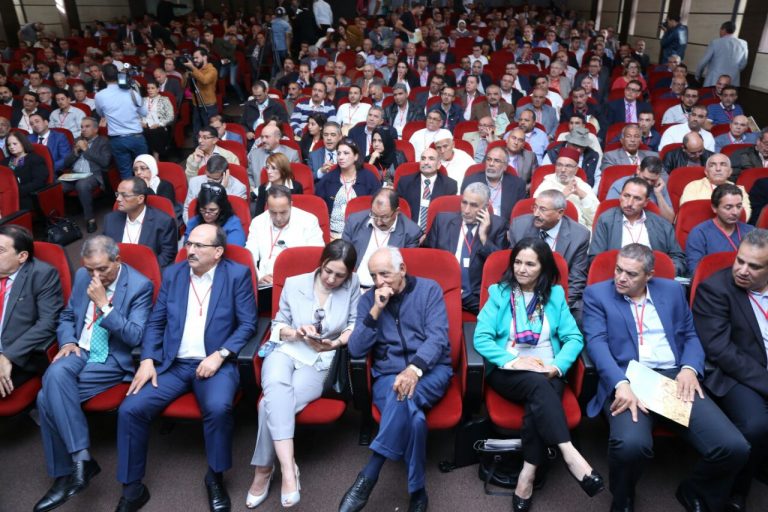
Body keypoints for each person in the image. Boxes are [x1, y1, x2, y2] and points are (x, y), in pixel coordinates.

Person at [582, 243, 750, 512]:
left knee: (733, 447)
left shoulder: (671, 290)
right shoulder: (597, 294)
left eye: (631, 274)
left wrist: (689, 368)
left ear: (649, 275)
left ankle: (693, 490)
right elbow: (596, 344)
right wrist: (620, 383)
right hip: (629, 378)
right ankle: (623, 498)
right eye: (618, 270)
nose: (621, 278)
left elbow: (691, 335)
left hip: (674, 378)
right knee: (631, 445)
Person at [115, 223, 257, 512]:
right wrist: (147, 359)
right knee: (130, 409)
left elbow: (247, 324)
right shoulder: (174, 274)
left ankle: (215, 477)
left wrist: (220, 354)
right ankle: (133, 488)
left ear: (218, 252)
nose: (190, 250)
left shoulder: (237, 275)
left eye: (199, 246)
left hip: (214, 364)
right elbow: (156, 322)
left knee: (218, 408)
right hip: (174, 364)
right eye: (189, 244)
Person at [474, 238, 604, 510]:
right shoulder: (499, 293)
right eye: (518, 262)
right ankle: (569, 453)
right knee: (538, 387)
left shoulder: (555, 296)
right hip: (508, 370)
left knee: (539, 398)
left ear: (543, 268)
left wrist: (556, 366)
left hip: (548, 370)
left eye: (530, 264)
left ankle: (527, 473)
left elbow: (573, 338)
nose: (521, 269)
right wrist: (514, 361)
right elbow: (481, 338)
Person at [33, 236, 153, 512]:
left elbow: (135, 336)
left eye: (102, 269)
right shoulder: (81, 276)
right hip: (80, 349)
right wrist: (67, 341)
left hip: (111, 358)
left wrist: (105, 305)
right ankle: (81, 458)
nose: (96, 276)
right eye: (90, 270)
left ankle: (67, 473)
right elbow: (67, 316)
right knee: (55, 374)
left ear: (117, 261)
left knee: (44, 398)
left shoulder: (140, 286)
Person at [247, 239, 359, 508]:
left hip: (320, 358)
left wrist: (336, 342)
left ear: (349, 274)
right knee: (276, 386)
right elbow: (278, 325)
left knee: (267, 405)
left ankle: (264, 469)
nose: (331, 279)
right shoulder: (295, 283)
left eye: (340, 275)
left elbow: (354, 324)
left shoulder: (353, 285)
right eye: (328, 271)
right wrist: (295, 332)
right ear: (321, 263)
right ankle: (288, 470)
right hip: (288, 349)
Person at [339, 247, 452, 512]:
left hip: (430, 371)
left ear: (402, 269)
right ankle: (417, 491)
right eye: (373, 276)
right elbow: (356, 349)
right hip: (387, 377)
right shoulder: (369, 300)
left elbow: (438, 338)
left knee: (403, 398)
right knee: (415, 419)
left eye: (385, 274)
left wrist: (414, 369)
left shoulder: (429, 290)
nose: (379, 282)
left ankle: (369, 474)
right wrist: (376, 310)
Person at [692, 229, 768, 511]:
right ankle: (737, 491)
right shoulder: (716, 288)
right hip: (734, 373)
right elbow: (721, 350)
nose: (743, 270)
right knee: (756, 425)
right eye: (740, 261)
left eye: (754, 266)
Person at [424, 183, 508, 313]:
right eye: (464, 203)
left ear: (486, 207)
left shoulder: (498, 226)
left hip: (476, 296)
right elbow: (427, 260)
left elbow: (500, 268)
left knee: (498, 314)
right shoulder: (442, 221)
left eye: (474, 205)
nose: (466, 210)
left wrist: (484, 238)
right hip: (444, 290)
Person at [0, 225, 62, 396]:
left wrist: (8, 355)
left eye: (0, 250)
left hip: (18, 355)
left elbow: (48, 323)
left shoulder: (42, 274)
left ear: (22, 256)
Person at [509, 190, 591, 316]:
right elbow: (512, 269)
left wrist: (553, 309)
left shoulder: (579, 235)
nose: (536, 213)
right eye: (535, 207)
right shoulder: (519, 226)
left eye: (543, 209)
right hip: (523, 292)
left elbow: (576, 281)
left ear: (560, 213)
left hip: (557, 296)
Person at [590, 176, 687, 274]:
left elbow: (678, 258)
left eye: (637, 198)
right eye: (626, 196)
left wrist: (663, 273)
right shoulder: (606, 220)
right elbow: (595, 259)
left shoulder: (661, 224)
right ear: (620, 196)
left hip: (653, 278)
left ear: (646, 202)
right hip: (617, 278)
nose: (629, 203)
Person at [246, 185, 324, 304]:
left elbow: (316, 257)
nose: (278, 218)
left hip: (299, 284)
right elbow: (249, 255)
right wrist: (259, 276)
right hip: (266, 285)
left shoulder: (309, 221)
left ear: (291, 205)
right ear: (267, 206)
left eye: (283, 212)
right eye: (273, 212)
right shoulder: (258, 222)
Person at [342, 189, 421, 289]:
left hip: (386, 289)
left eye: (384, 217)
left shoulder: (411, 233)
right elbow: (343, 256)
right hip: (351, 286)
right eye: (374, 215)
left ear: (397, 212)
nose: (378, 222)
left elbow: (403, 272)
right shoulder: (354, 221)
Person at [104, 177, 178, 269]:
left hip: (148, 272)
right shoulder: (110, 220)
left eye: (124, 195)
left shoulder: (163, 221)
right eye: (118, 194)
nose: (118, 199)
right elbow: (104, 249)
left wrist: (146, 270)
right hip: (117, 271)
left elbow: (167, 256)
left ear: (140, 199)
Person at [315, 138, 381, 239]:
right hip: (333, 234)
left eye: (346, 153)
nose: (341, 157)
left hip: (361, 234)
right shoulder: (329, 178)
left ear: (356, 156)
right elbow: (318, 207)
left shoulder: (369, 178)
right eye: (339, 153)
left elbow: (378, 208)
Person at [94, 63, 149, 178]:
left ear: (103, 76)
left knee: (125, 173)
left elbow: (101, 114)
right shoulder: (131, 92)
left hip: (117, 140)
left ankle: (129, 190)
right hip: (136, 137)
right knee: (145, 172)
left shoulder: (99, 96)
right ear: (118, 75)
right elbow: (144, 112)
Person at [60, 117, 112, 233]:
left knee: (82, 185)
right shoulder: (78, 140)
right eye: (82, 127)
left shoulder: (103, 141)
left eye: (87, 126)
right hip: (75, 174)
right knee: (55, 186)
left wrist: (86, 149)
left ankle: (90, 220)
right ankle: (59, 222)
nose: (83, 129)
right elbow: (66, 163)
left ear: (96, 129)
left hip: (92, 175)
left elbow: (105, 162)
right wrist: (76, 152)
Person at [686, 184, 754, 272]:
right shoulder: (700, 233)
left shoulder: (751, 232)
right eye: (728, 207)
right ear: (714, 208)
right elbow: (696, 271)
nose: (735, 212)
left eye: (739, 206)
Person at [534, 147, 599, 230]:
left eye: (568, 166)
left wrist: (582, 195)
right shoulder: (547, 182)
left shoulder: (583, 186)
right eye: (559, 165)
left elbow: (595, 218)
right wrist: (562, 196)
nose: (563, 170)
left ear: (576, 169)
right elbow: (537, 214)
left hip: (579, 229)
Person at [396, 147, 457, 231]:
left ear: (439, 164)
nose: (426, 162)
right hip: (408, 231)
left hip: (436, 232)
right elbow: (399, 212)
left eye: (431, 159)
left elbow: (447, 218)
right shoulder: (405, 182)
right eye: (423, 158)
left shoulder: (449, 186)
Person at [461, 146, 526, 221]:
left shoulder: (518, 185)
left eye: (497, 161)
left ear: (505, 166)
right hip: (476, 223)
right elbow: (464, 209)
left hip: (504, 226)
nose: (491, 164)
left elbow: (519, 216)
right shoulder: (470, 181)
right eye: (489, 159)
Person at [680, 153, 751, 219]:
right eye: (712, 165)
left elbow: (745, 215)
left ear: (730, 172)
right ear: (706, 172)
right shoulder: (693, 187)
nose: (718, 169)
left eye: (723, 165)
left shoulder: (739, 189)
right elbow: (687, 213)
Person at [184, 154, 247, 222]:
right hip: (199, 223)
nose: (211, 181)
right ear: (205, 171)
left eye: (215, 179)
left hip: (224, 224)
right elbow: (187, 209)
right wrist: (192, 226)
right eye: (208, 177)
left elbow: (234, 215)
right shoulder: (194, 182)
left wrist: (222, 190)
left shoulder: (239, 188)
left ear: (226, 174)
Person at [597, 124, 659, 189]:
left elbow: (663, 179)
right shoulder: (610, 157)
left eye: (636, 136)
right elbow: (609, 181)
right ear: (622, 140)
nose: (632, 140)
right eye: (628, 136)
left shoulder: (653, 157)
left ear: (640, 140)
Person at [185, 182, 246, 247]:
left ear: (221, 208)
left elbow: (234, 250)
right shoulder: (193, 222)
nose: (206, 214)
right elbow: (186, 248)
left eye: (212, 210)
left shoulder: (232, 223)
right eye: (203, 209)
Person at [3, 130, 48, 211]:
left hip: (26, 196)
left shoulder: (35, 159)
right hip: (5, 196)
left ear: (23, 143)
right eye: (9, 145)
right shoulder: (4, 162)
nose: (11, 147)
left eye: (14, 144)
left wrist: (16, 192)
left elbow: (38, 182)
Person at [247, 124, 300, 191]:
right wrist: (252, 188)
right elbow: (249, 175)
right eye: (262, 137)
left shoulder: (291, 155)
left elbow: (294, 179)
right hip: (259, 194)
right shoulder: (254, 154)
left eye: (267, 137)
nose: (263, 140)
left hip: (283, 194)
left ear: (277, 138)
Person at [696, 21, 749, 87]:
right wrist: (733, 71)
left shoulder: (715, 42)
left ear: (723, 30)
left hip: (714, 80)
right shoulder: (743, 43)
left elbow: (703, 61)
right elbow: (743, 64)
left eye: (720, 29)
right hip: (732, 81)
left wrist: (698, 75)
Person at [181, 47, 219, 136]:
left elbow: (205, 80)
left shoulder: (212, 70)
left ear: (205, 57)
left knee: (209, 132)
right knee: (197, 132)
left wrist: (193, 68)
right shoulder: (195, 70)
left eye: (197, 58)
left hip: (209, 106)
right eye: (193, 58)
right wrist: (187, 72)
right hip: (196, 105)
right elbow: (182, 86)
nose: (195, 60)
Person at [139, 81, 174, 159]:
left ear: (158, 89)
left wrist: (159, 124)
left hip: (158, 126)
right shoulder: (143, 100)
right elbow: (137, 115)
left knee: (154, 133)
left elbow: (171, 116)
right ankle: (144, 159)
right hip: (144, 125)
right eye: (148, 88)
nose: (150, 90)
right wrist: (140, 122)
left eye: (152, 88)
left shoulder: (164, 100)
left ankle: (156, 159)